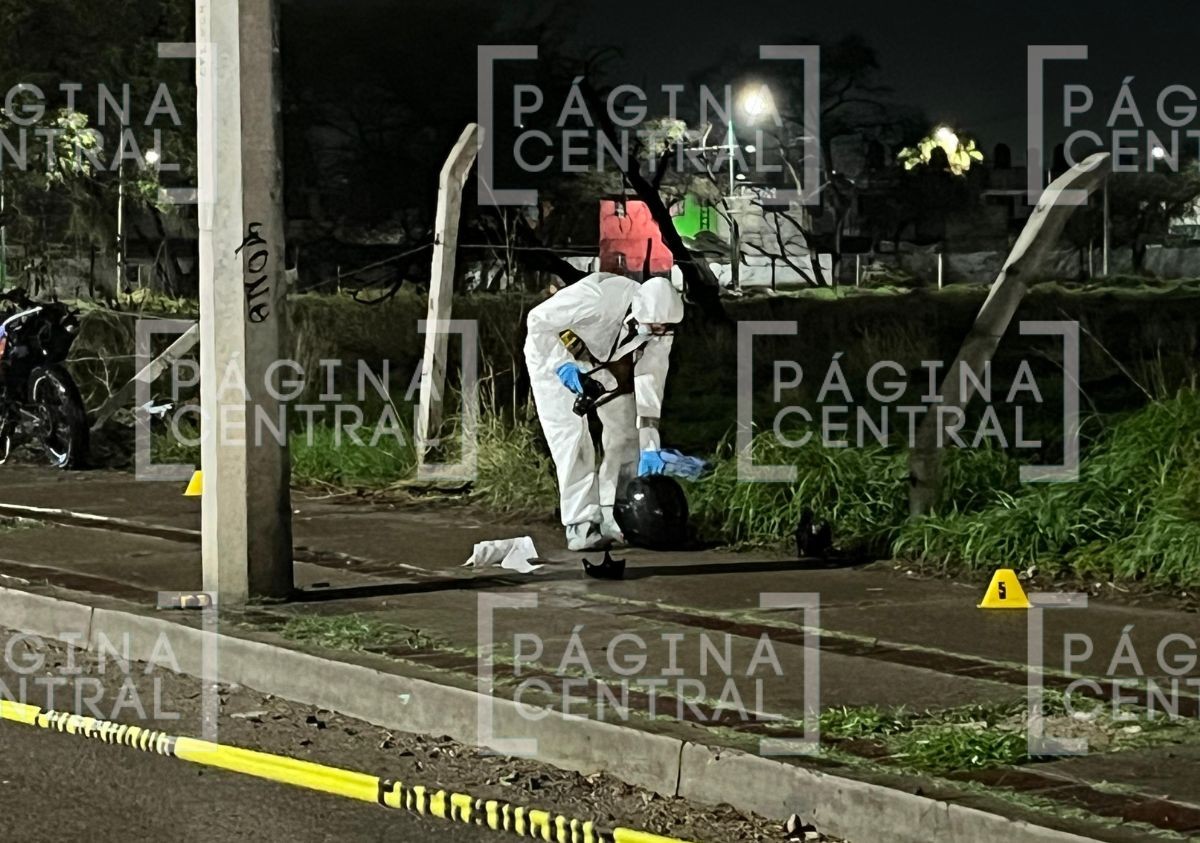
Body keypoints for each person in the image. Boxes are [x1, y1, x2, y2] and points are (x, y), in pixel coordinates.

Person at [524, 272, 684, 550]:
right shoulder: (597, 298)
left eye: (663, 329)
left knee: (626, 432)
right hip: (552, 361)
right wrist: (562, 366)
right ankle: (581, 524)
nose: (657, 333)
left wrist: (650, 444)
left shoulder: (659, 328)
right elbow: (538, 321)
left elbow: (651, 379)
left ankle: (616, 513)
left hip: (600, 363)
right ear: (637, 311)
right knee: (572, 441)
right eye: (653, 327)